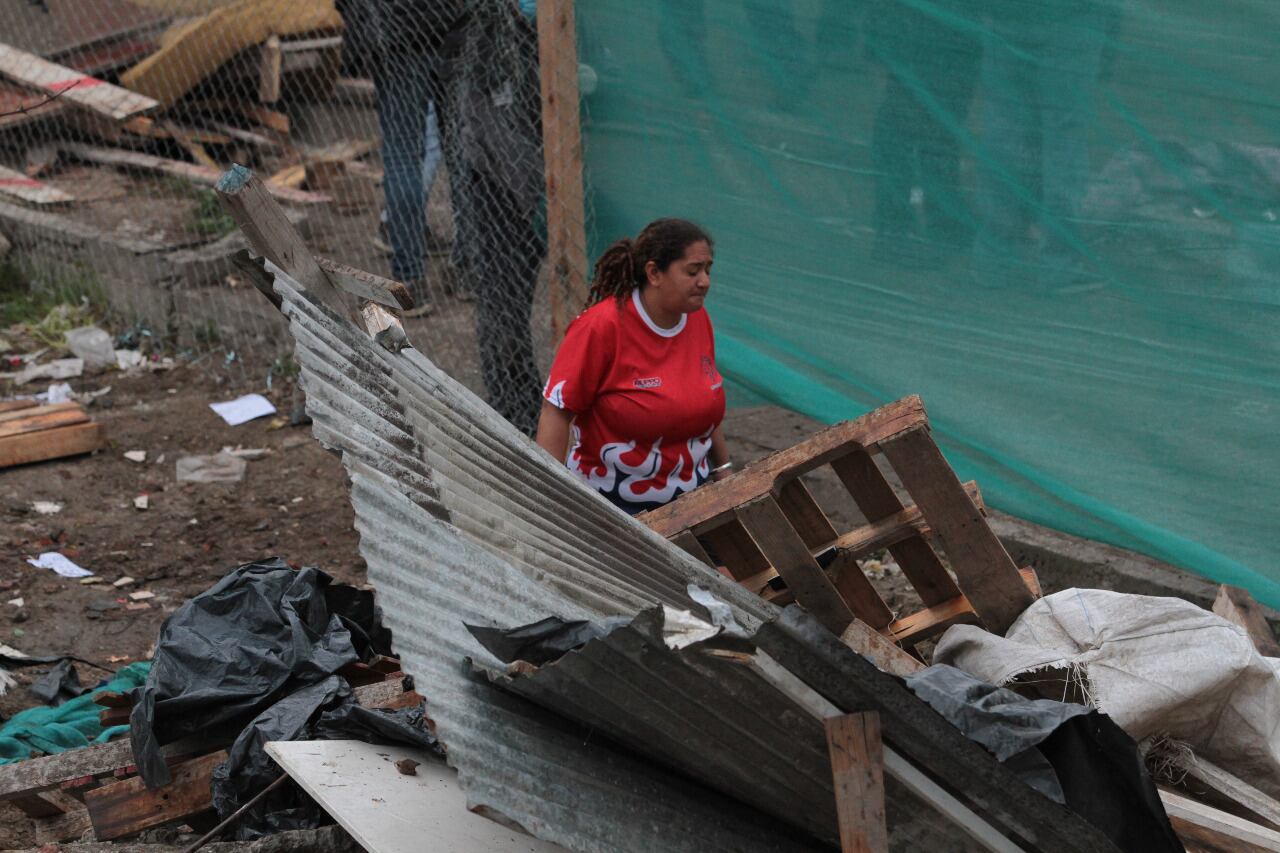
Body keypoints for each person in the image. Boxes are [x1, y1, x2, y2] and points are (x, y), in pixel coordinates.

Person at [535, 219, 732, 514]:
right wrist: (551, 501)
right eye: (692, 271)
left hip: (693, 497)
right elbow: (556, 412)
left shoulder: (697, 319)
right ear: (654, 273)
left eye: (707, 270)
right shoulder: (601, 328)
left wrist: (725, 471)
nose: (705, 281)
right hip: (611, 505)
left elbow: (703, 408)